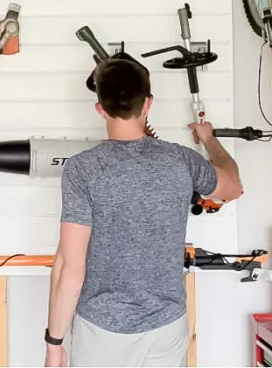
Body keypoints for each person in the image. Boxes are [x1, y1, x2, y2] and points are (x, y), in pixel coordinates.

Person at [43, 58, 243, 367]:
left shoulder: (83, 170)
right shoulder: (181, 160)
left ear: (100, 109)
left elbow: (70, 265)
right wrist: (209, 140)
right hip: (167, 327)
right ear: (147, 104)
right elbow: (233, 186)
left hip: (103, 331)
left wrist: (54, 344)